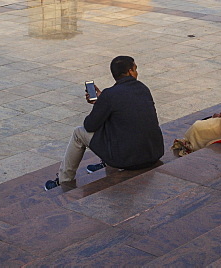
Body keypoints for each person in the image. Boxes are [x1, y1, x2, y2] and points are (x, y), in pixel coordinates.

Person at [45, 56, 164, 190]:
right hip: (154, 153)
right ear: (130, 72)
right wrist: (103, 102)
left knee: (79, 133)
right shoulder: (143, 89)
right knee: (120, 122)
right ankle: (106, 163)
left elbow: (90, 126)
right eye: (136, 69)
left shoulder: (110, 95)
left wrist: (100, 104)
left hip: (127, 161)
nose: (137, 73)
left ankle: (64, 180)